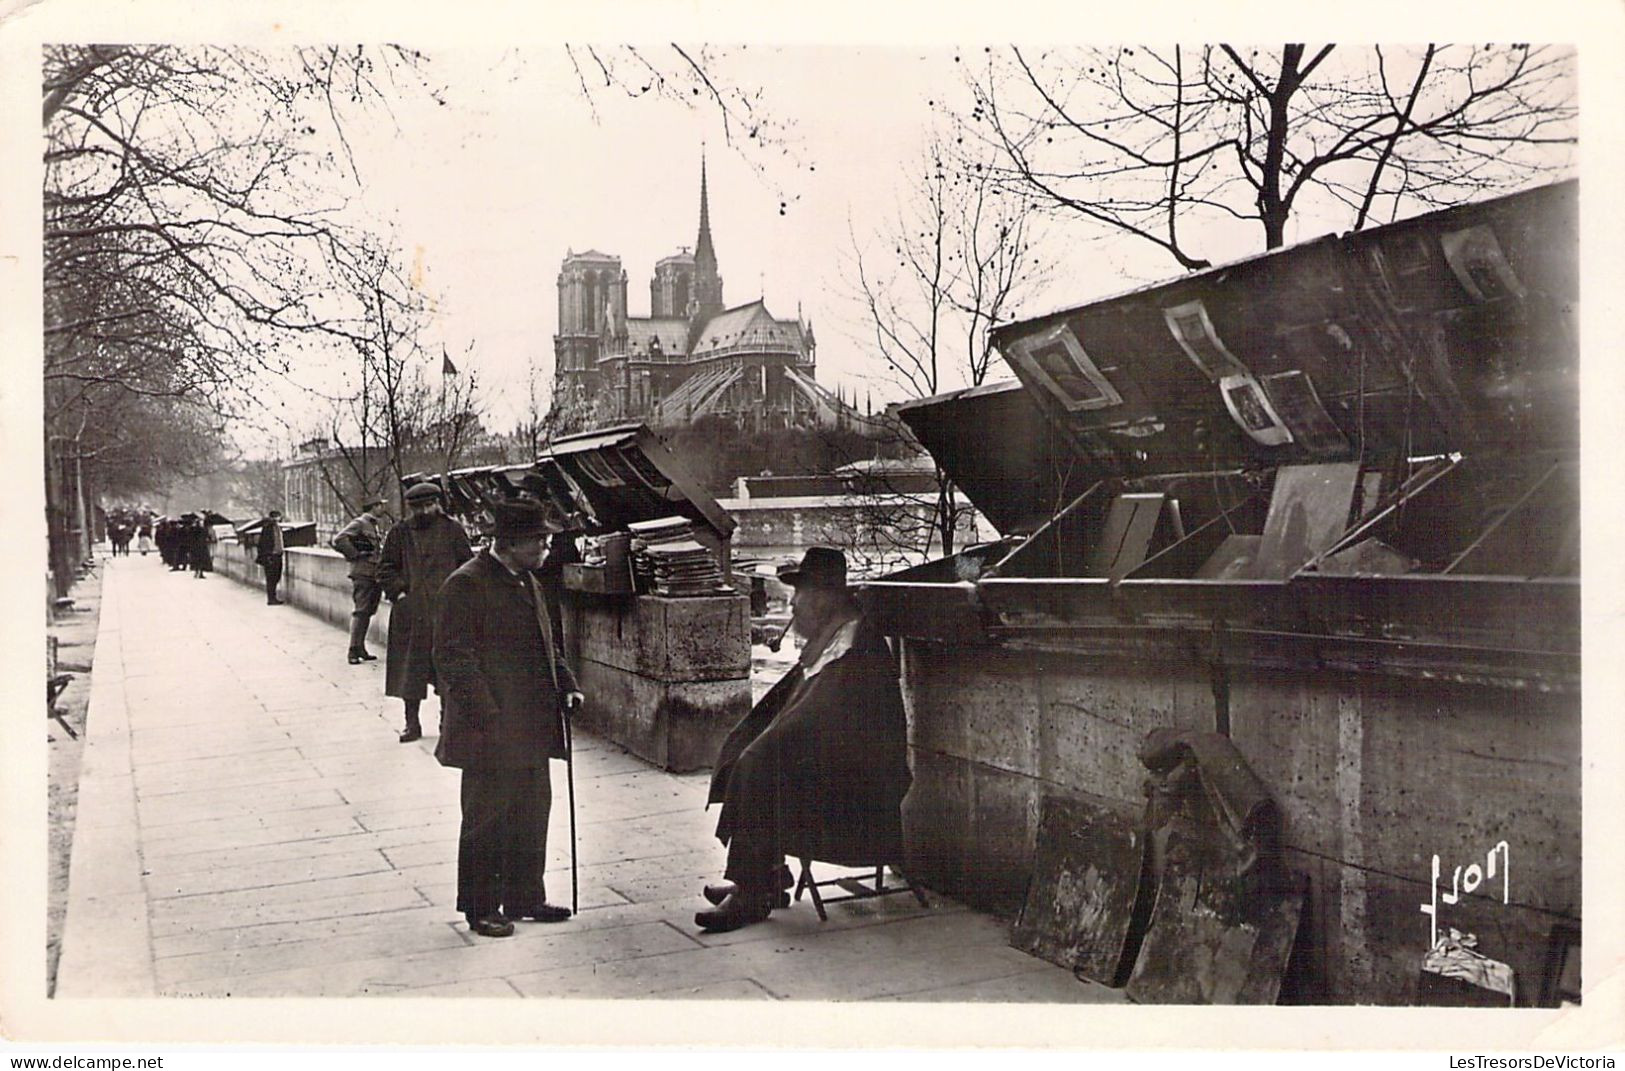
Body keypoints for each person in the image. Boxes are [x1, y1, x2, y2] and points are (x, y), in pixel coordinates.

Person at [697, 546, 913, 933]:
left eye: (802, 593)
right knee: (744, 751)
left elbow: (826, 715)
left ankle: (751, 891)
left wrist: (771, 743)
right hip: (839, 755)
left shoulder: (853, 641)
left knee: (760, 763)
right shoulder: (834, 636)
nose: (794, 604)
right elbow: (799, 707)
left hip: (863, 775)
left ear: (825, 597)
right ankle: (768, 875)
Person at [433, 499, 583, 938]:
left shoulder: (526, 580)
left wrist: (567, 683)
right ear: (512, 542)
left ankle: (523, 896)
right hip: (491, 729)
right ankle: (480, 906)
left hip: (532, 724)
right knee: (487, 817)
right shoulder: (466, 584)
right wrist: (488, 715)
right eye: (541, 540)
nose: (548, 546)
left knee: (532, 810)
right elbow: (453, 659)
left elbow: (547, 642)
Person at [378, 482, 473, 743]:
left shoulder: (453, 530)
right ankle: (412, 723)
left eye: (428, 505)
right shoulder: (400, 533)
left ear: (438, 503)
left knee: (449, 670)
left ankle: (447, 722)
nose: (423, 511)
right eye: (418, 507)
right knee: (410, 671)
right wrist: (400, 594)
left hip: (447, 614)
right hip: (412, 614)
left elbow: (468, 566)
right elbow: (385, 568)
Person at [332, 496, 390, 664]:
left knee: (368, 611)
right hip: (363, 573)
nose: (383, 509)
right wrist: (355, 555)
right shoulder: (360, 523)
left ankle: (360, 648)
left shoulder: (373, 524)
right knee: (361, 611)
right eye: (381, 506)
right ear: (374, 506)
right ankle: (352, 650)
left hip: (373, 573)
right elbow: (339, 539)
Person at [255, 509, 286, 604]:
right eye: (278, 516)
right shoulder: (268, 528)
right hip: (271, 556)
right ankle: (271, 598)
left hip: (277, 555)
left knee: (276, 577)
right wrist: (267, 556)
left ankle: (273, 597)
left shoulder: (277, 527)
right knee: (271, 578)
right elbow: (263, 543)